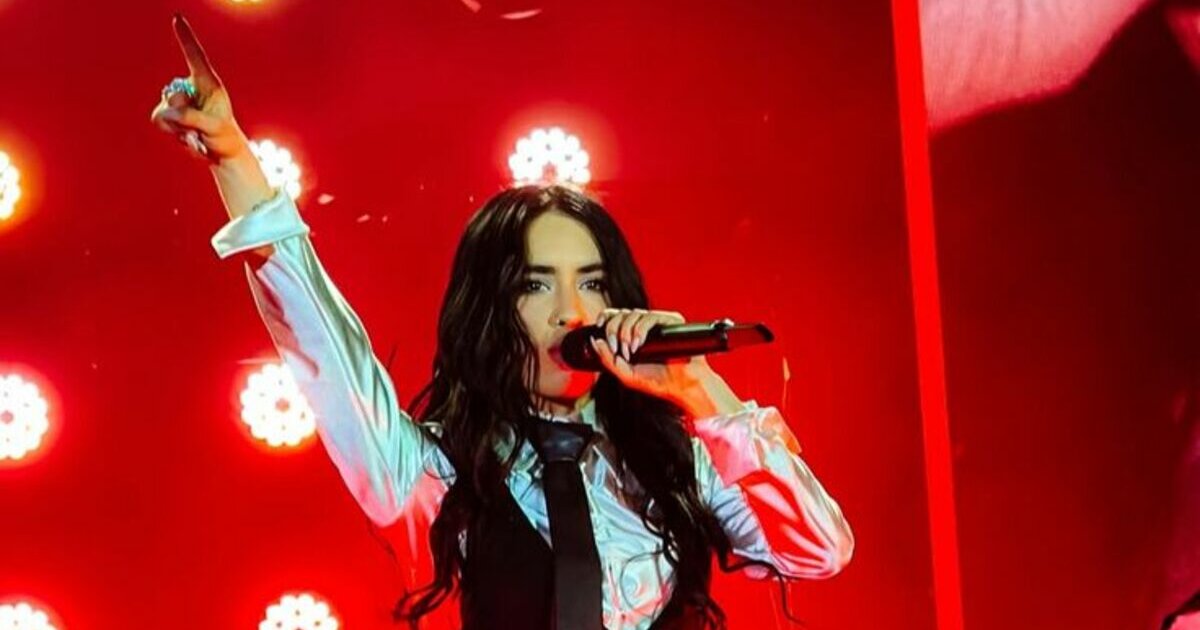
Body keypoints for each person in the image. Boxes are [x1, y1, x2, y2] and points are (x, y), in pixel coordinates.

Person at [150, 15, 853, 629]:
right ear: (492, 310)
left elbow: (819, 550)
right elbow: (327, 348)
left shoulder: (675, 462)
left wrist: (699, 391)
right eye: (536, 285)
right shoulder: (434, 475)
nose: (572, 310)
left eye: (592, 283)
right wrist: (234, 161)